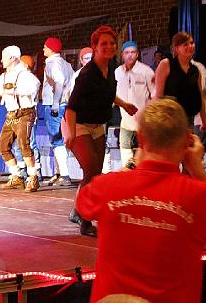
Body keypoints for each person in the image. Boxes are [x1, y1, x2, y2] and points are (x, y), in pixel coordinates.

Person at [76, 99, 206, 303]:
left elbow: (83, 204)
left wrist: (133, 164)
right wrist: (198, 170)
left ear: (140, 138)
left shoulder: (106, 187)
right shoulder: (199, 195)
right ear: (187, 142)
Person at [63, 26, 138, 236]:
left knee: (94, 173)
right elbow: (71, 108)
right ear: (94, 47)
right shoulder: (87, 74)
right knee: (92, 170)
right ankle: (85, 220)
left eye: (112, 43)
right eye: (103, 43)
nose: (109, 47)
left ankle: (78, 211)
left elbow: (108, 93)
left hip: (98, 125)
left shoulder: (110, 67)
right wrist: (71, 134)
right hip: (78, 123)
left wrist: (124, 104)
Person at [0, 45, 41, 192]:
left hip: (25, 113)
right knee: (3, 146)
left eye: (4, 57)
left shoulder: (24, 74)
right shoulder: (5, 76)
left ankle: (33, 177)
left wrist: (14, 91)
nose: (1, 60)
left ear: (13, 58)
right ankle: (17, 176)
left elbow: (35, 86)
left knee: (24, 145)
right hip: (11, 114)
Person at [154, 32, 206, 130]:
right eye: (185, 44)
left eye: (191, 43)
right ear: (176, 48)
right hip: (170, 120)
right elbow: (158, 96)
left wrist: (204, 122)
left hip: (188, 121)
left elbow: (200, 97)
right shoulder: (166, 64)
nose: (190, 46)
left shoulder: (195, 70)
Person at [114, 41, 155, 167]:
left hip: (144, 120)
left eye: (133, 52)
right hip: (126, 119)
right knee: (125, 147)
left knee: (146, 148)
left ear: (137, 54)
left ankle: (146, 171)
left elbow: (154, 93)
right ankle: (128, 173)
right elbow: (113, 93)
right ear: (122, 55)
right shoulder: (117, 72)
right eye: (127, 52)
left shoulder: (146, 71)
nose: (130, 55)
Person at [41, 37, 75, 187]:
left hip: (54, 105)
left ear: (50, 49)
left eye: (45, 47)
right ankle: (60, 173)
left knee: (56, 140)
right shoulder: (66, 64)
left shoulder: (52, 63)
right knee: (60, 139)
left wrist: (55, 103)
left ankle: (65, 175)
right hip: (64, 104)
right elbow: (72, 82)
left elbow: (59, 81)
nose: (43, 49)